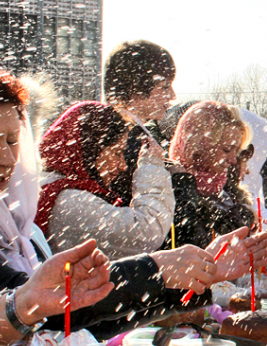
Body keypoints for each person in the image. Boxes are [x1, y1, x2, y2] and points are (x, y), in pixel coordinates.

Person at [0, 69, 267, 346]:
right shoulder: (60, 201)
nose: (5, 158)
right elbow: (29, 316)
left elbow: (73, 316)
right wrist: (158, 271)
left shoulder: (18, 228)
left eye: (13, 141)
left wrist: (196, 272)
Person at [36, 101, 174, 260]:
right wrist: (151, 167)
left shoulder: (59, 189)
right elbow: (147, 232)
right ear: (90, 150)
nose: (123, 165)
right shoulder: (68, 201)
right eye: (116, 153)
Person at [164, 101, 257, 249]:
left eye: (236, 151)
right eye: (227, 149)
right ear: (199, 145)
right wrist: (243, 216)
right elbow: (202, 244)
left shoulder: (222, 185)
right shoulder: (171, 185)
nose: (233, 160)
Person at [103, 40, 177, 204]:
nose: (172, 96)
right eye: (165, 87)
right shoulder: (129, 138)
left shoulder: (123, 130)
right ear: (136, 86)